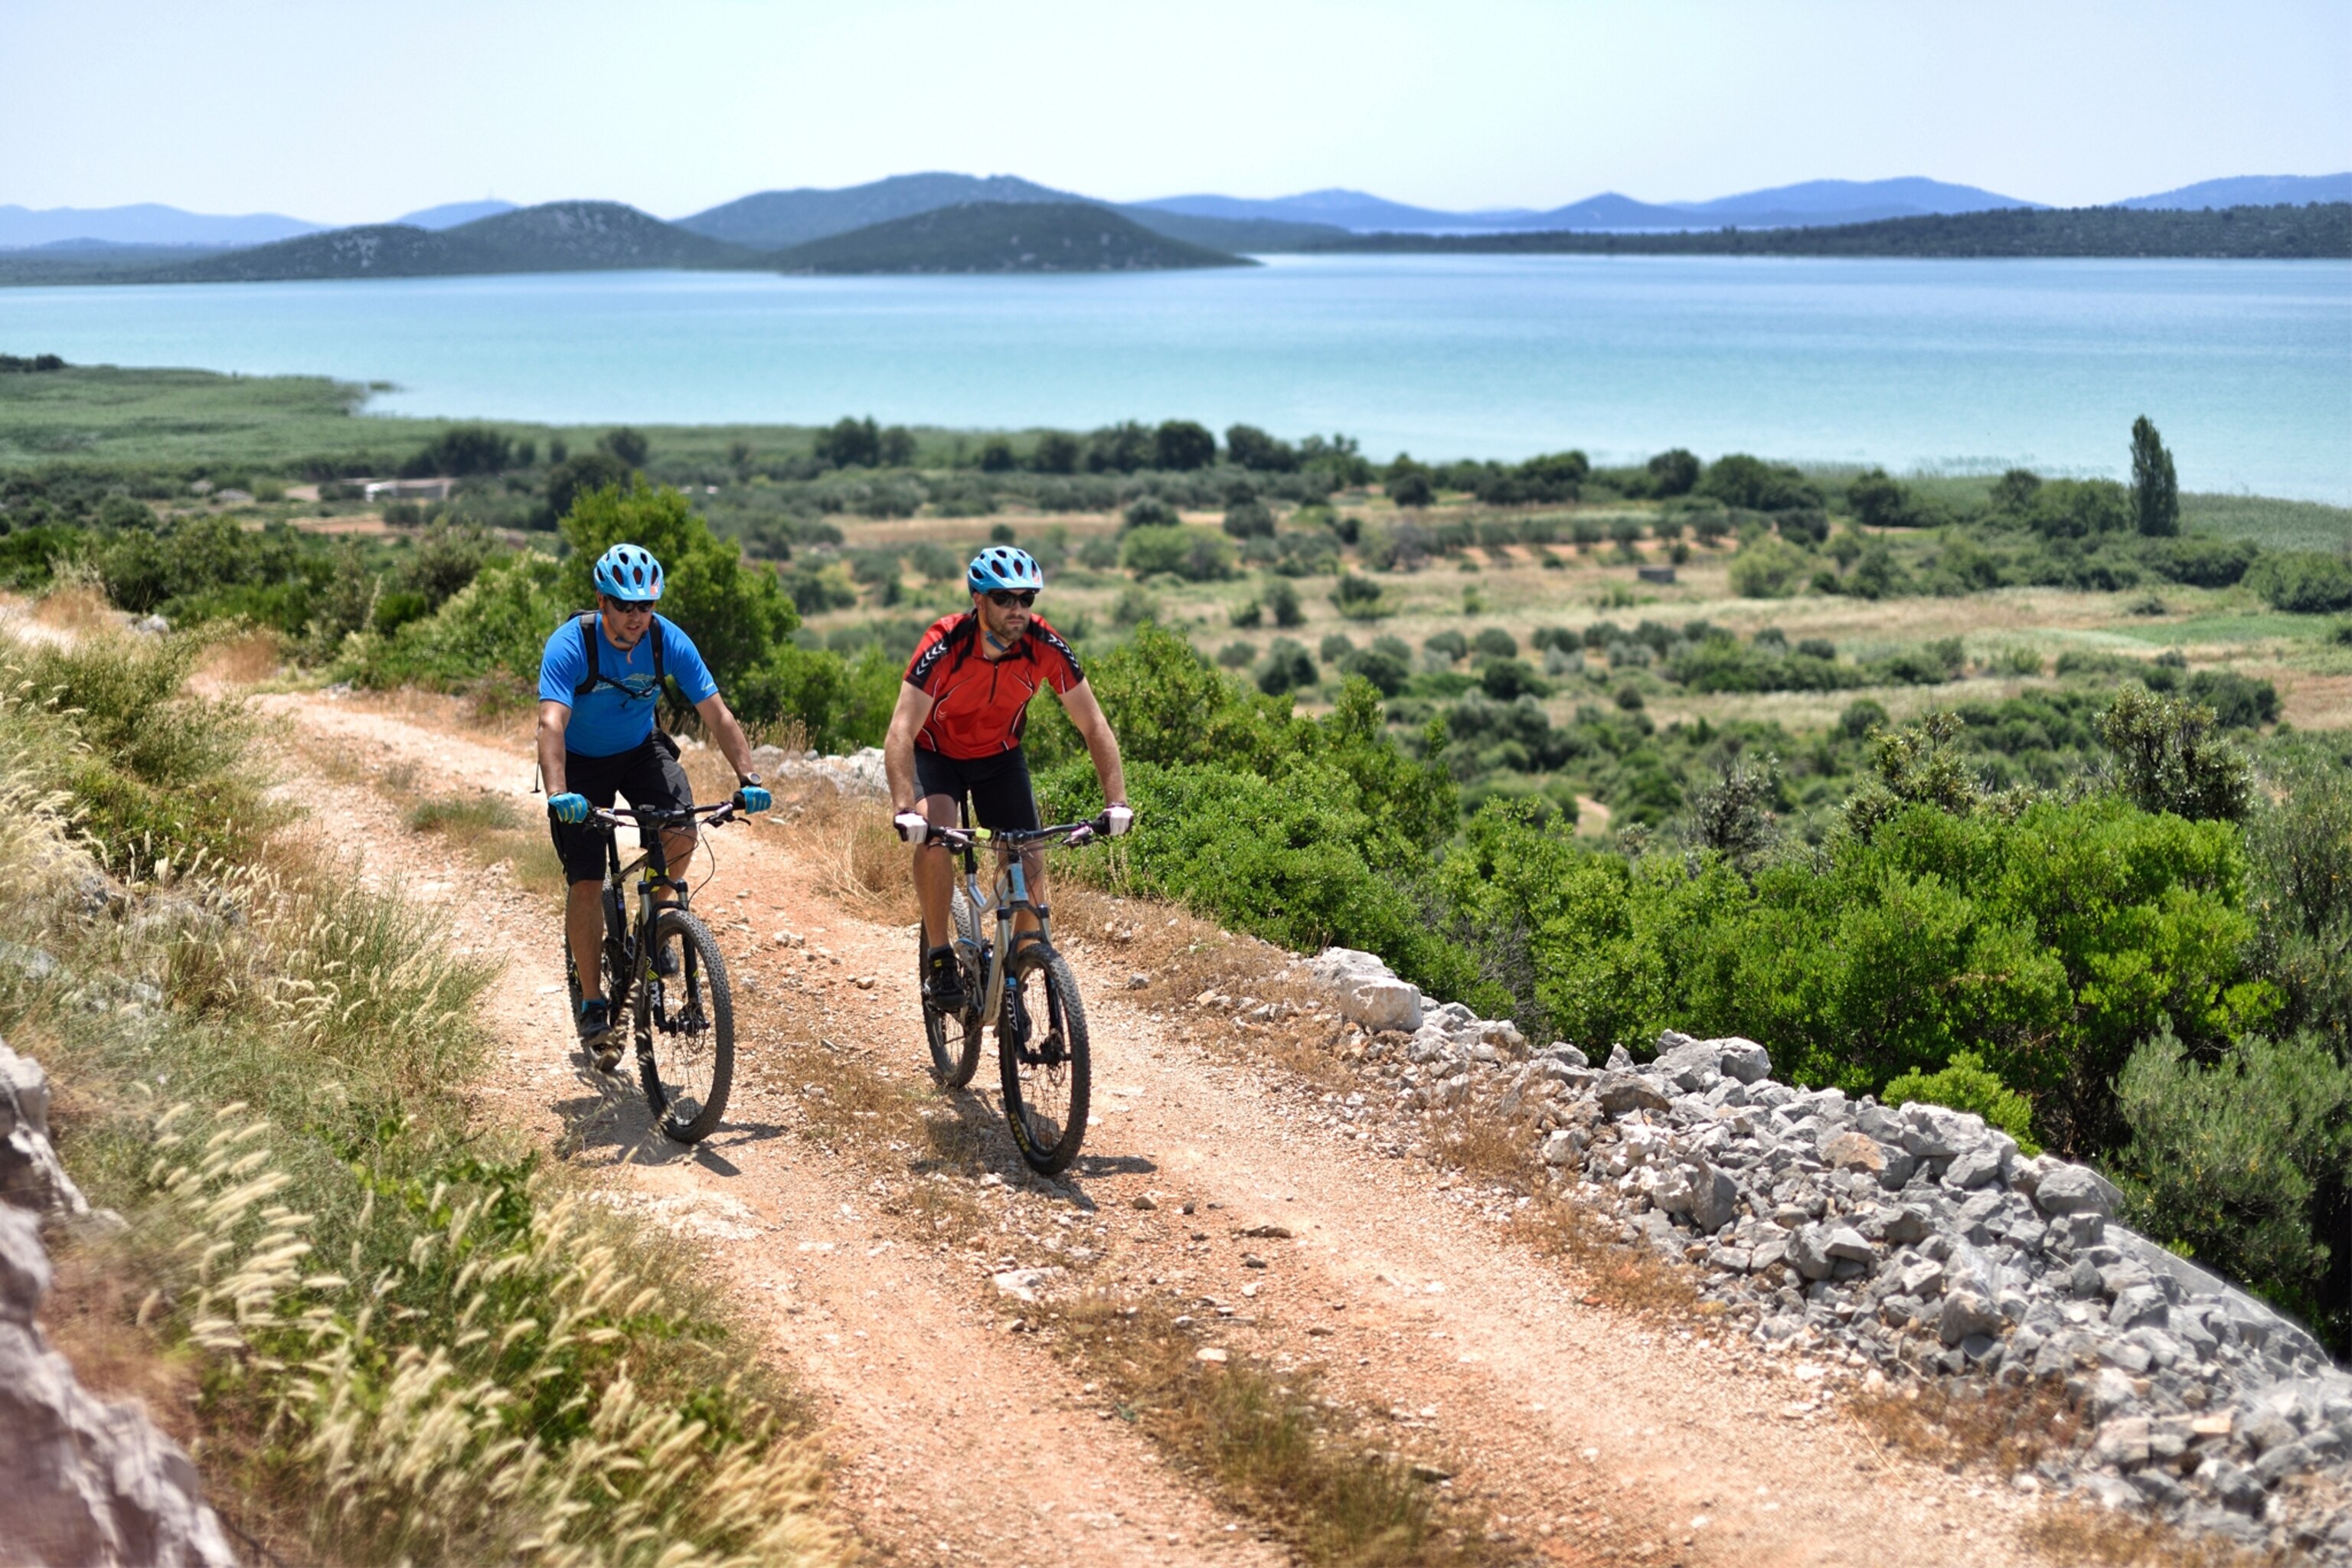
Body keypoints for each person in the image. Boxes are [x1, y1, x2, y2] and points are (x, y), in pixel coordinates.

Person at [537, 543, 771, 1063]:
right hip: (578, 764)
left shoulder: (667, 641)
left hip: (640, 751)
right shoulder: (571, 644)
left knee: (684, 830)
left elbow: (716, 713)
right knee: (588, 877)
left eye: (646, 606)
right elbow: (551, 723)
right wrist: (559, 793)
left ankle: (660, 920)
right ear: (602, 602)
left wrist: (748, 776)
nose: (637, 617)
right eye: (625, 605)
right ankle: (595, 1004)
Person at [883, 545, 1131, 1011]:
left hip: (1000, 757)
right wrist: (902, 808)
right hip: (937, 754)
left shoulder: (1044, 645)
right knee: (935, 831)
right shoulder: (945, 644)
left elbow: (1093, 723)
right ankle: (939, 955)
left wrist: (1116, 800)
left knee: (1030, 860)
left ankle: (1020, 971)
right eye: (1004, 598)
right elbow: (901, 729)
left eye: (1026, 599)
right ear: (979, 600)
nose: (1017, 609)